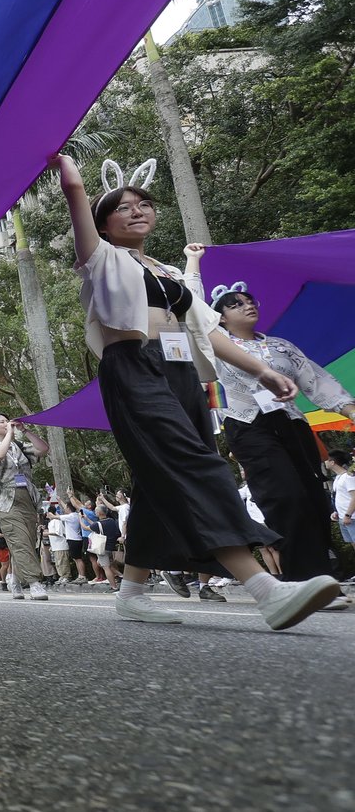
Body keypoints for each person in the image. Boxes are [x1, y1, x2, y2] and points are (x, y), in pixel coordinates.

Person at [51, 153, 339, 627]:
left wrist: (262, 371)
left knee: (155, 477)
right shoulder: (100, 260)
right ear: (103, 222)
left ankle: (132, 590)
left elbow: (210, 332)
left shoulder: (168, 272)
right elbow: (78, 204)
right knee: (195, 464)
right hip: (133, 368)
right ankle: (266, 589)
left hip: (181, 372)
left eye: (144, 203)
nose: (137, 210)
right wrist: (72, 180)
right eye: (123, 207)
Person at [204, 280, 355, 584]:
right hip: (247, 424)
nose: (247, 305)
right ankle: (305, 578)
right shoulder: (214, 345)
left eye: (249, 300)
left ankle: (323, 578)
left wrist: (349, 410)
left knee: (313, 497)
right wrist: (192, 263)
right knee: (285, 495)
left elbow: (316, 380)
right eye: (235, 304)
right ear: (219, 317)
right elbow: (192, 315)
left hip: (293, 425)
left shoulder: (281, 346)